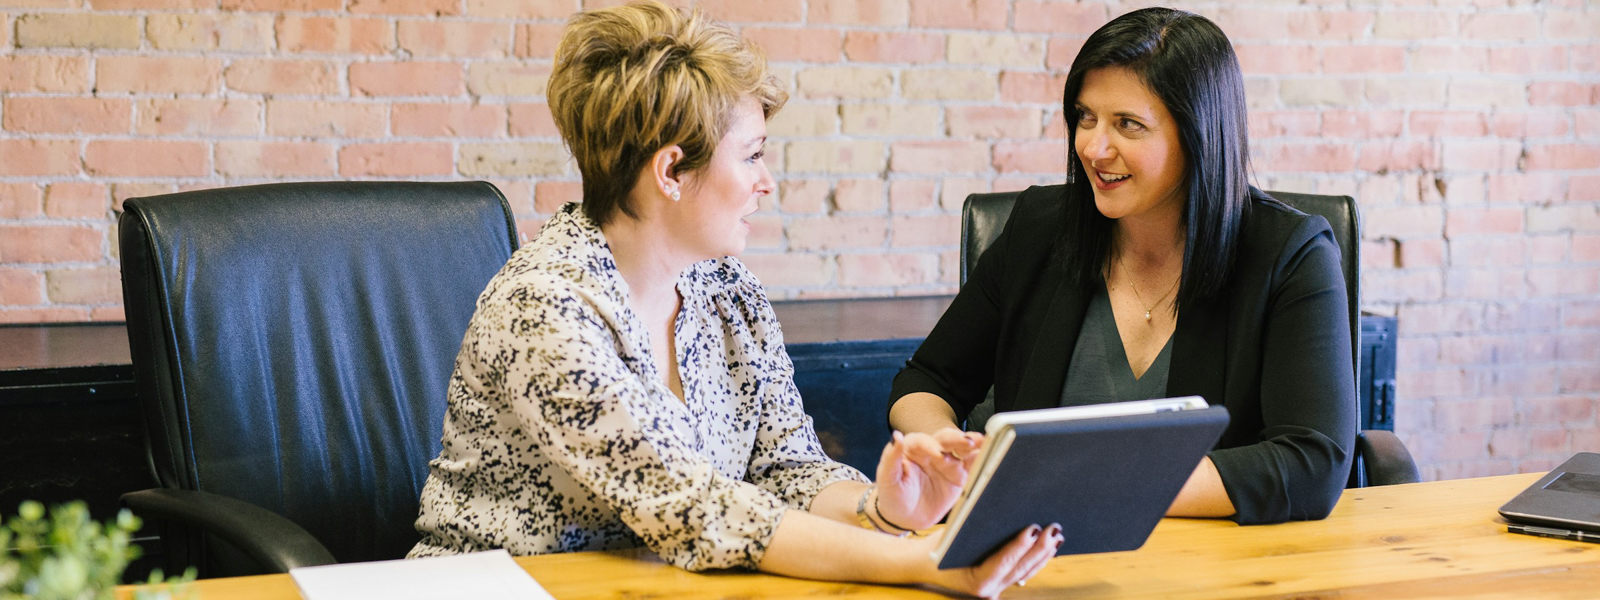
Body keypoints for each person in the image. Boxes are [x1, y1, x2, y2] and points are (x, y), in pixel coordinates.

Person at [408, 1, 1059, 596]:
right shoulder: (546, 306)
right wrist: (922, 561)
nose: (766, 183)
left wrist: (884, 509)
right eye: (751, 156)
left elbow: (787, 466)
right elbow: (695, 506)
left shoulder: (727, 290)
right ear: (671, 171)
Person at [888, 7, 1357, 526]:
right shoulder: (1040, 229)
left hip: (1213, 563)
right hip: (1035, 555)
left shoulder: (1291, 254)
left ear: (1198, 133)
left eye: (1128, 125)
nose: (1093, 147)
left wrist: (1083, 486)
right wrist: (942, 448)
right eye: (1086, 118)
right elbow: (925, 381)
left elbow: (1312, 461)